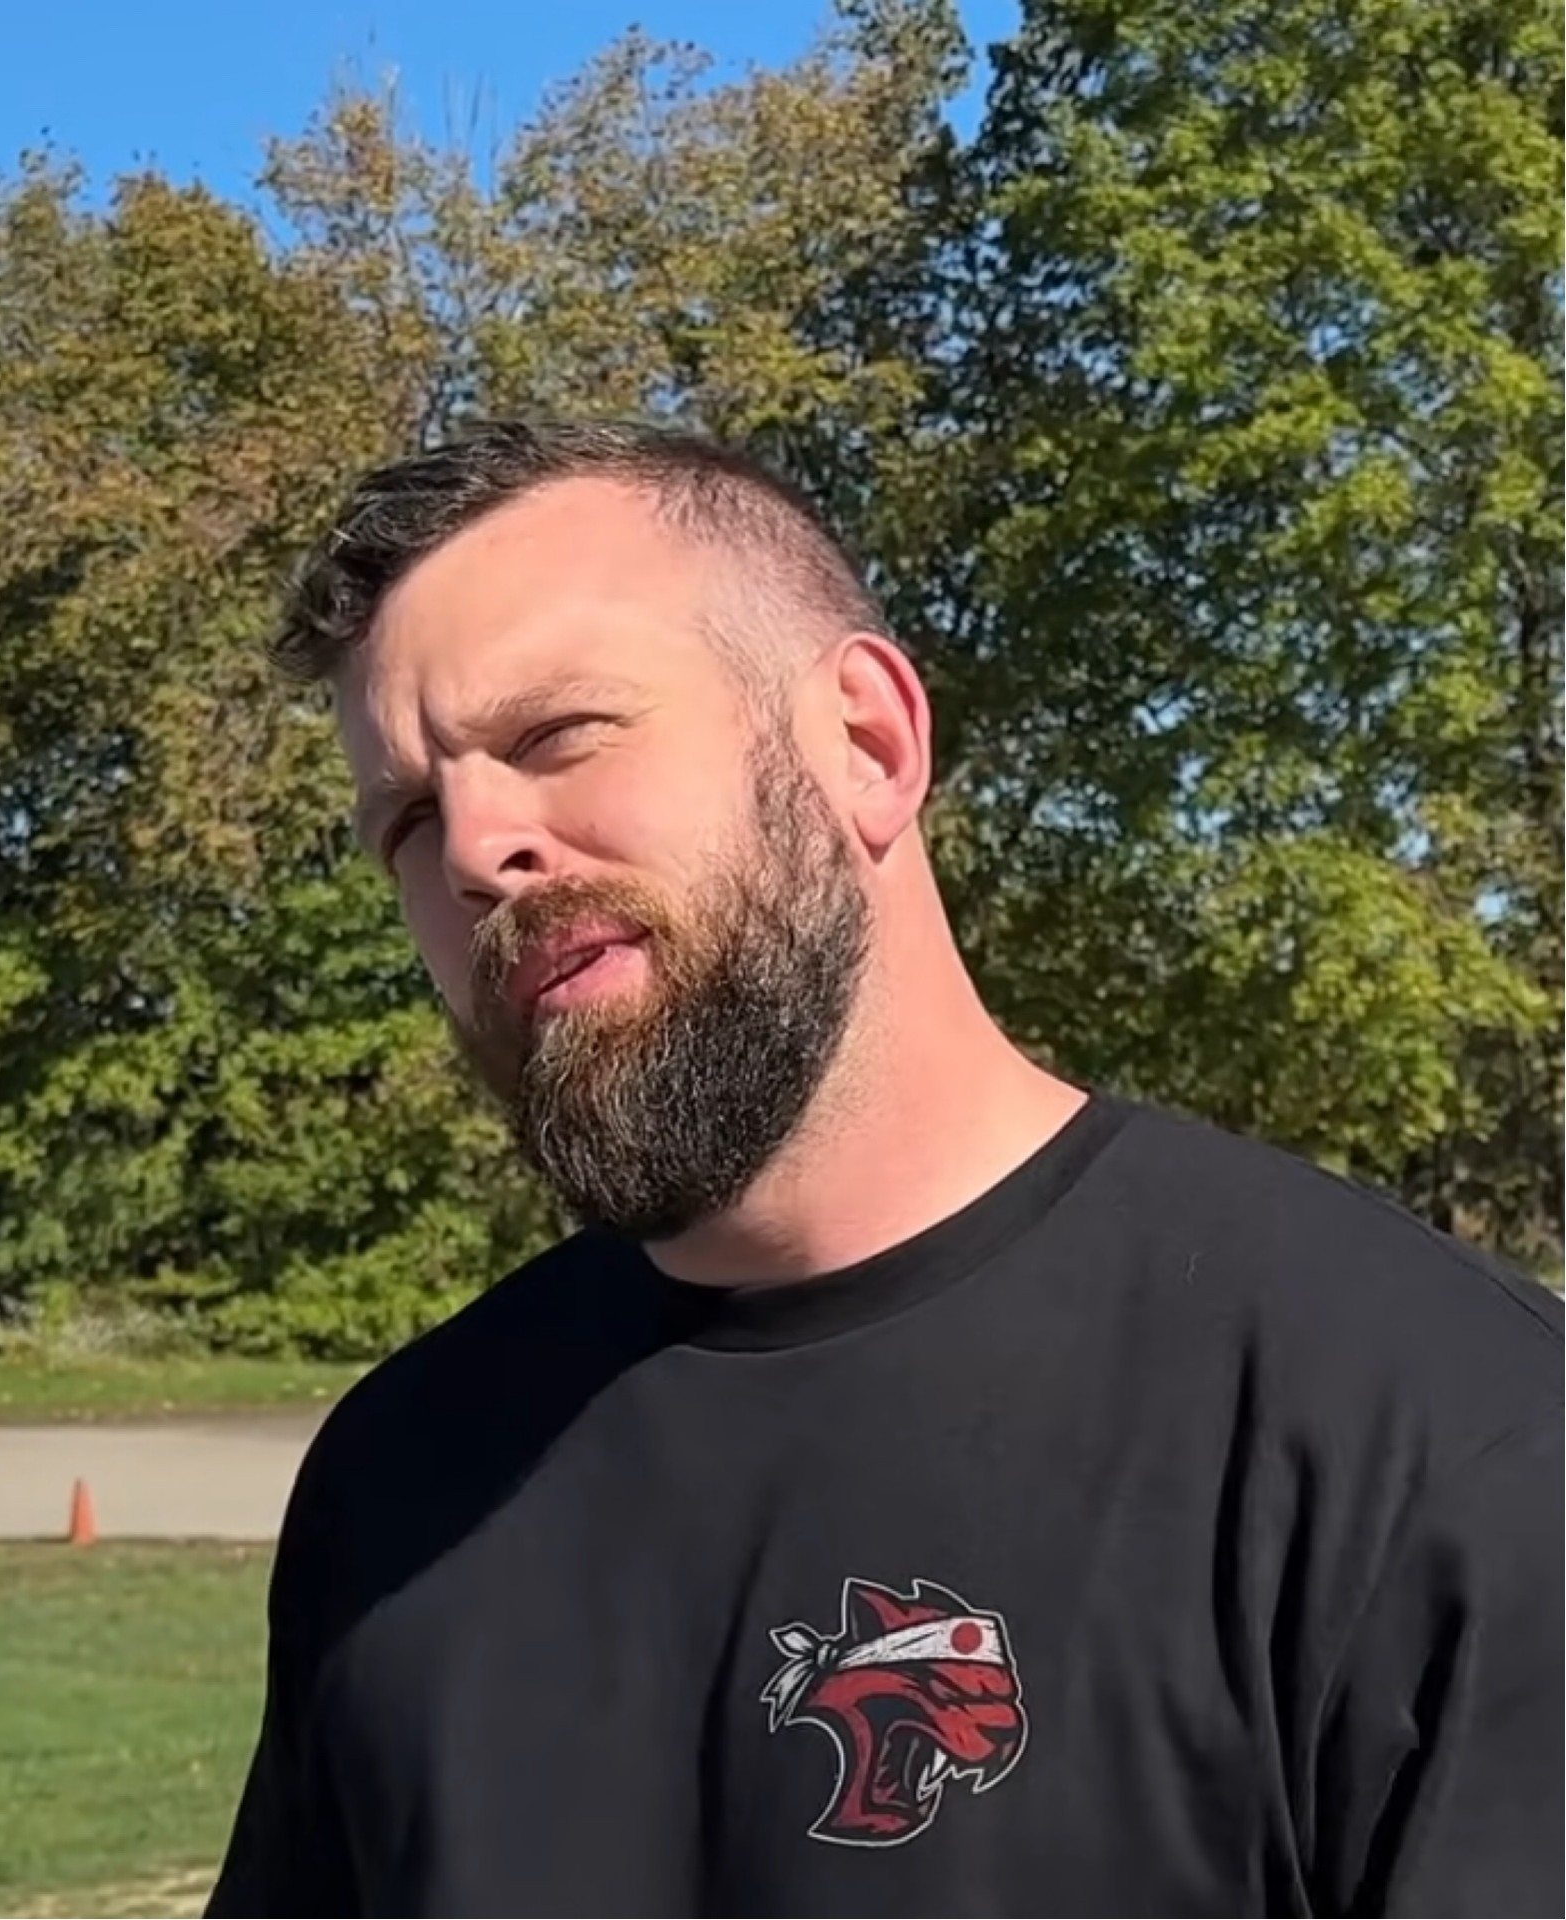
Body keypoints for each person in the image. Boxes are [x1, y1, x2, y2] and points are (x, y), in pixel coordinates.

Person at [206, 420, 1562, 1918]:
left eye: (557, 735)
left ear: (867, 743)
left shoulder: (1441, 1442)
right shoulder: (401, 1478)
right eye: (408, 817)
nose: (474, 851)